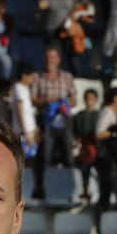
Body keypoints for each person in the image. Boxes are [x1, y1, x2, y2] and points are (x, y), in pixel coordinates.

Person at [31, 47, 76, 201]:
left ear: (59, 60)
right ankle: (43, 190)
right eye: (47, 58)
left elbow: (74, 100)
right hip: (46, 121)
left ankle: (70, 189)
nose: (50, 61)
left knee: (68, 155)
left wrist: (62, 103)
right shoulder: (38, 77)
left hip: (64, 121)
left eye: (53, 57)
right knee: (45, 156)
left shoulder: (67, 77)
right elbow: (33, 99)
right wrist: (50, 101)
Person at [35, 0, 78, 64]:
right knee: (53, 59)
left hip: (69, 29)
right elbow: (37, 16)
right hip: (52, 31)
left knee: (74, 59)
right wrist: (38, 8)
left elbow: (77, 8)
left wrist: (73, 23)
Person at [73, 88, 101, 200]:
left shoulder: (99, 115)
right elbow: (76, 134)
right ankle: (85, 189)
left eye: (92, 99)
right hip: (84, 149)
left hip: (98, 148)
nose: (89, 101)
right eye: (87, 99)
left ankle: (99, 191)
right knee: (84, 170)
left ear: (96, 100)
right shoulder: (79, 116)